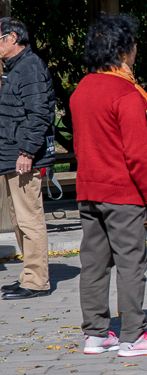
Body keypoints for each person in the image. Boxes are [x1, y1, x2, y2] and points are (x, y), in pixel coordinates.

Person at [71, 14, 147, 357]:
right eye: (132, 45)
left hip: (88, 189)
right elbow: (137, 154)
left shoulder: (82, 89)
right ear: (122, 51)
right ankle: (133, 334)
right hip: (123, 192)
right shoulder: (127, 94)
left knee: (94, 264)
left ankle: (96, 333)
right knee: (132, 263)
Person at [0, 18, 57, 300]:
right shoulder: (15, 68)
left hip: (24, 157)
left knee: (29, 219)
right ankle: (28, 274)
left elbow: (39, 114)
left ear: (12, 38)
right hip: (11, 154)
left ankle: (36, 281)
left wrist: (27, 152)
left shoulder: (30, 67)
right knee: (19, 220)